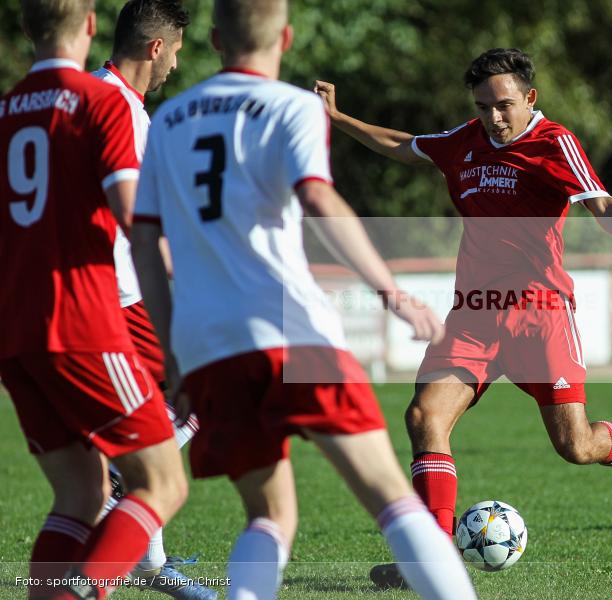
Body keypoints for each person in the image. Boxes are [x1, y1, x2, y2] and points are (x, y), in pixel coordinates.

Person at [315, 47, 612, 589]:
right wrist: (337, 119)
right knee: (424, 418)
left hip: (540, 316)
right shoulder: (465, 140)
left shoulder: (555, 142)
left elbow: (602, 205)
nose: (493, 117)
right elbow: (405, 145)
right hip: (474, 316)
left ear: (529, 98)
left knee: (575, 446)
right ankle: (432, 559)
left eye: (503, 106)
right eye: (482, 107)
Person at [130, 2, 477, 599]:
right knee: (391, 498)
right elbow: (318, 199)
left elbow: (144, 242)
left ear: (214, 39)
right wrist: (393, 294)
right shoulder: (291, 106)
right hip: (292, 332)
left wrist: (175, 355)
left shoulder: (168, 119)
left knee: (268, 515)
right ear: (286, 38)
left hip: (210, 347)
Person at [0, 2, 187, 599]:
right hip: (84, 319)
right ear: (88, 26)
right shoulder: (100, 102)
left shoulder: (5, 111)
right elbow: (135, 219)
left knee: (81, 493)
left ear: (26, 28)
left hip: (16, 329)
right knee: (162, 483)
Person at [91, 2, 216, 598]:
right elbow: (135, 216)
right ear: (157, 47)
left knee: (161, 409)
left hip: (98, 290)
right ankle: (123, 478)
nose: (177, 65)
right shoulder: (118, 107)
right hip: (127, 290)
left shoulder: (91, 95)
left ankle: (149, 558)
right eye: (178, 51)